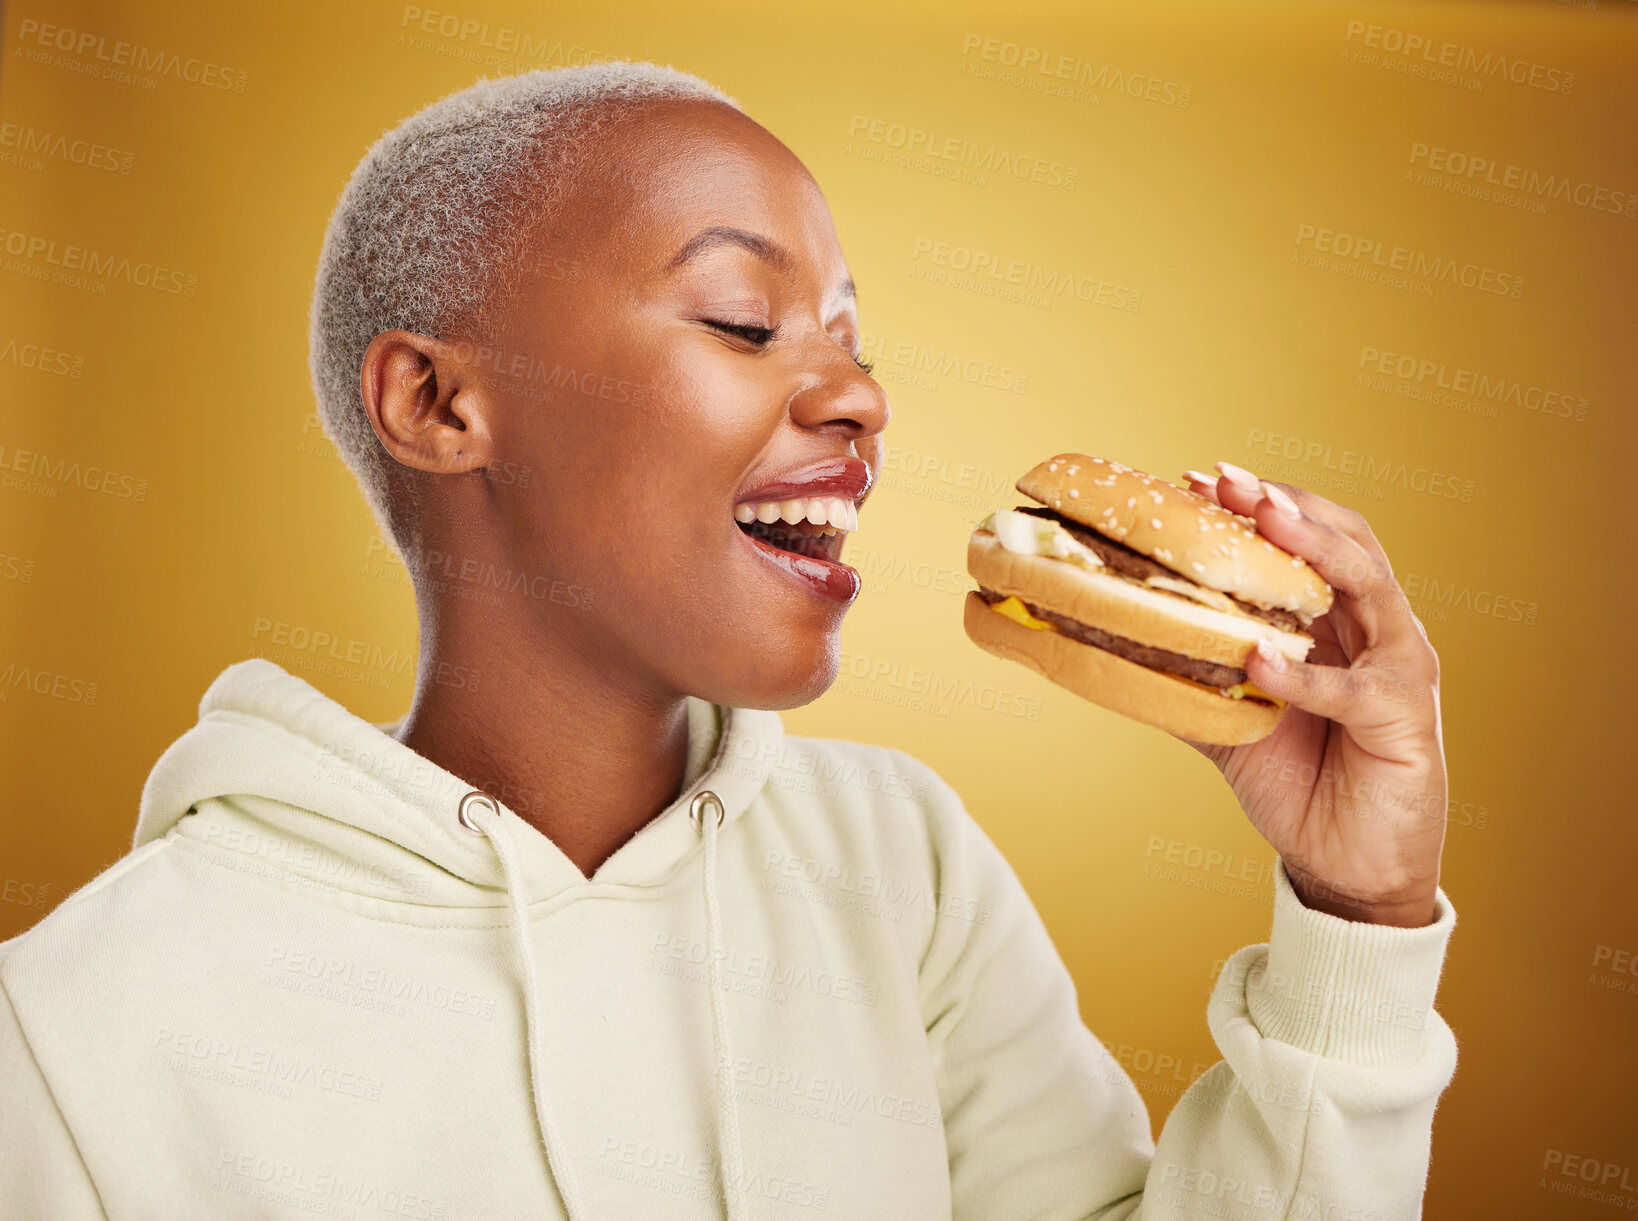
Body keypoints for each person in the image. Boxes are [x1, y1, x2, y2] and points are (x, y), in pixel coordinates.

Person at [0, 60, 1455, 1219]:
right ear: (440, 406)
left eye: (851, 337)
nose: (859, 400)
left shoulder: (896, 862)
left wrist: (1358, 921)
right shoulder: (72, 1035)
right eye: (745, 321)